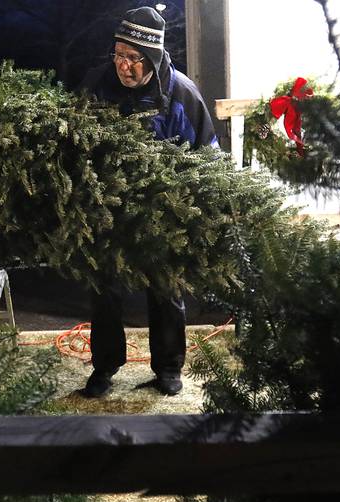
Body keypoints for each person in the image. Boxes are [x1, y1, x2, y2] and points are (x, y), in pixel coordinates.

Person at [78, 6, 219, 398]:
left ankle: (169, 368)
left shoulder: (181, 94)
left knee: (165, 289)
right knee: (104, 288)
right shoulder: (96, 86)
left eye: (132, 59)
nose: (123, 65)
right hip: (110, 209)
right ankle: (104, 367)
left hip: (164, 212)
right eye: (118, 55)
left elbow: (209, 157)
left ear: (153, 59)